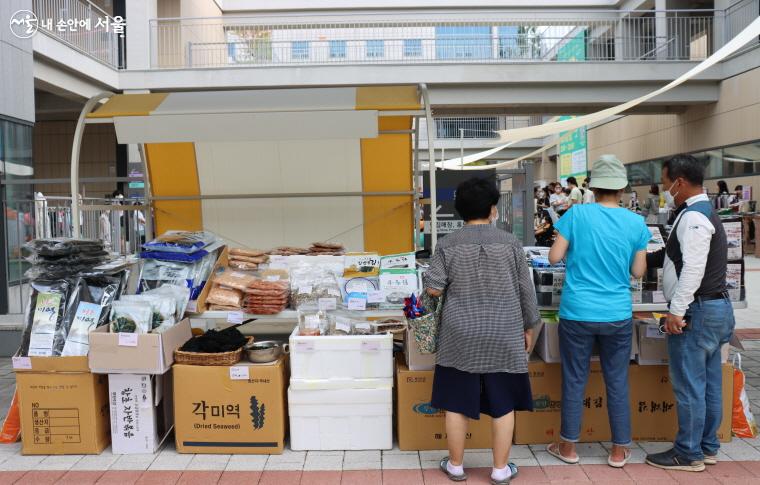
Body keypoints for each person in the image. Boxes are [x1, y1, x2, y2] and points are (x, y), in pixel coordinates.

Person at [424, 177, 540, 485]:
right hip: (504, 331)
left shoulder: (447, 244)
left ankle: (456, 466)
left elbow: (433, 290)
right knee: (503, 404)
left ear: (460, 210)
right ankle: (500, 469)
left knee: (455, 401)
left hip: (459, 333)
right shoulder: (511, 243)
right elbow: (525, 291)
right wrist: (529, 326)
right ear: (493, 209)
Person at [546, 155, 650, 469]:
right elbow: (639, 271)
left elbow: (553, 258)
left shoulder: (577, 214)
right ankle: (619, 451)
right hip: (617, 313)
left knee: (575, 379)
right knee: (617, 380)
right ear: (622, 189)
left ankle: (568, 447)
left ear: (593, 186)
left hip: (577, 311)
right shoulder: (636, 222)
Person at [645, 155, 734, 472]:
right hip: (715, 309)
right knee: (709, 384)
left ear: (679, 182)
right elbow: (675, 257)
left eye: (666, 181)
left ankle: (688, 453)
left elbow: (693, 268)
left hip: (697, 311)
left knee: (690, 387)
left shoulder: (694, 217)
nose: (665, 189)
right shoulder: (701, 211)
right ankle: (707, 447)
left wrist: (676, 311)